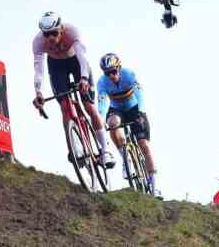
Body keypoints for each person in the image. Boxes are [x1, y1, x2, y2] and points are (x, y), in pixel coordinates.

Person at [32, 11, 115, 168]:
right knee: (64, 107)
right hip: (57, 66)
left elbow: (82, 58)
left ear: (61, 29)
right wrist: (39, 92)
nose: (50, 38)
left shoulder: (72, 32)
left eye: (54, 33)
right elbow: (38, 69)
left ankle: (105, 150)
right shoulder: (38, 42)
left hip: (76, 63)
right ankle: (75, 147)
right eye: (46, 34)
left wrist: (84, 78)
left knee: (89, 106)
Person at [97, 53, 160, 196]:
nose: (111, 76)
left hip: (134, 108)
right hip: (117, 109)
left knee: (144, 144)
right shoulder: (102, 82)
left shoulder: (128, 74)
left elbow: (140, 93)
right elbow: (101, 101)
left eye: (113, 71)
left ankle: (155, 185)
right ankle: (125, 159)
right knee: (112, 123)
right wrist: (101, 117)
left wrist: (141, 112)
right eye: (108, 73)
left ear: (119, 68)